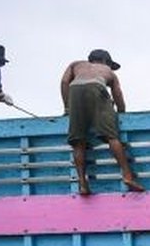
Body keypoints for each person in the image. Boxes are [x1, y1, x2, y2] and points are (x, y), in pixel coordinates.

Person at [60, 49, 144, 195]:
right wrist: (121, 112)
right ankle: (127, 176)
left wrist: (67, 107)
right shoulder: (109, 72)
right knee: (111, 137)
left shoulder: (75, 65)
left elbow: (64, 82)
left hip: (74, 89)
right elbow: (117, 95)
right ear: (106, 62)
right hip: (97, 87)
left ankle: (83, 184)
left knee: (78, 141)